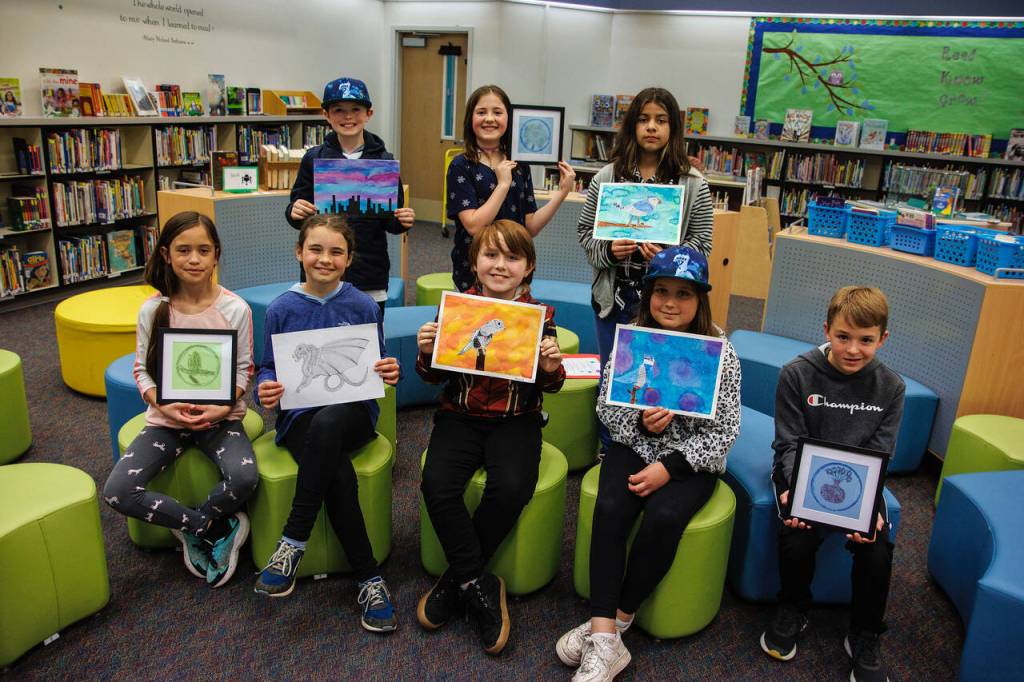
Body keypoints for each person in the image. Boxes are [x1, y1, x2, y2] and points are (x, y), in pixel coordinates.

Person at [556, 245, 741, 682]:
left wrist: (670, 467)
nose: (670, 303)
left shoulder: (720, 352)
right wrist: (640, 422)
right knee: (610, 506)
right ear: (647, 294)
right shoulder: (631, 341)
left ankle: (613, 626)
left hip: (692, 459)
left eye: (684, 293)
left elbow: (726, 429)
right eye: (661, 291)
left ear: (700, 299)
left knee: (666, 515)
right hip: (633, 445)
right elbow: (606, 407)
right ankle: (603, 632)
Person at [415, 219, 565, 654]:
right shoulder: (456, 309)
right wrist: (426, 353)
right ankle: (477, 581)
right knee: (437, 485)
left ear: (528, 267)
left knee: (513, 486)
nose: (500, 265)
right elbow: (432, 377)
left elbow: (552, 384)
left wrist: (551, 367)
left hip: (517, 419)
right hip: (459, 416)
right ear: (474, 261)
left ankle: (456, 578)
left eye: (513, 257)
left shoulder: (541, 316)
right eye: (491, 255)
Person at [253, 213, 400, 634]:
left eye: (336, 252)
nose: (325, 259)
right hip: (300, 416)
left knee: (332, 420)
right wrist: (265, 388)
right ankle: (370, 579)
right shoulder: (281, 309)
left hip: (354, 413)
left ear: (349, 259)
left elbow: (377, 361)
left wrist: (390, 370)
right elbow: (268, 367)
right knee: (336, 471)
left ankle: (292, 540)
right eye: (315, 249)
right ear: (299, 252)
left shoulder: (362, 305)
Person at [102, 211, 257, 588]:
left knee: (245, 477)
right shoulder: (153, 309)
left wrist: (225, 405)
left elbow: (244, 369)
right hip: (166, 421)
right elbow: (141, 370)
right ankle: (206, 527)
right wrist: (163, 404)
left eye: (204, 250)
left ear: (216, 254)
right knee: (117, 492)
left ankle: (195, 524)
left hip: (220, 418)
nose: (194, 259)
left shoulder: (235, 309)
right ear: (166, 254)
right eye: (183, 250)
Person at [759, 286, 904, 682]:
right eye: (843, 337)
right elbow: (788, 442)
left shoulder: (892, 387)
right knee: (797, 534)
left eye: (865, 340)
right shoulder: (796, 373)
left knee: (877, 547)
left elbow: (881, 452)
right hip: (800, 472)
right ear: (826, 330)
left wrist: (867, 506)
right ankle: (793, 608)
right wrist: (796, 489)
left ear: (882, 339)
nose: (853, 349)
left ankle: (865, 633)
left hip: (859, 481)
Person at [576, 87, 714, 372]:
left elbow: (703, 243)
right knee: (614, 376)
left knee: (660, 375)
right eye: (643, 119)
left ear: (673, 128)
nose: (651, 127)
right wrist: (609, 251)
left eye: (661, 120)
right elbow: (585, 232)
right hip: (614, 299)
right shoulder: (607, 177)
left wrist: (669, 258)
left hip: (668, 302)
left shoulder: (693, 183)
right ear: (632, 126)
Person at [285, 77, 415, 310]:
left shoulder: (383, 162)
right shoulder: (314, 159)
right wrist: (294, 211)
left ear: (369, 114)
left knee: (368, 330)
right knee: (320, 327)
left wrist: (402, 221)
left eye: (356, 109)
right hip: (321, 274)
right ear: (326, 115)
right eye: (339, 110)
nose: (348, 117)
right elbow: (298, 211)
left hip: (369, 273)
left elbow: (391, 221)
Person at [446, 84, 576, 292]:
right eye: (481, 112)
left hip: (513, 268)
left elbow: (530, 227)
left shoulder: (520, 164)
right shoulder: (461, 165)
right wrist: (503, 184)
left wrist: (562, 193)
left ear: (510, 118)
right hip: (474, 270)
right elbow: (474, 226)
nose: (490, 119)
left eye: (497, 112)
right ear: (470, 118)